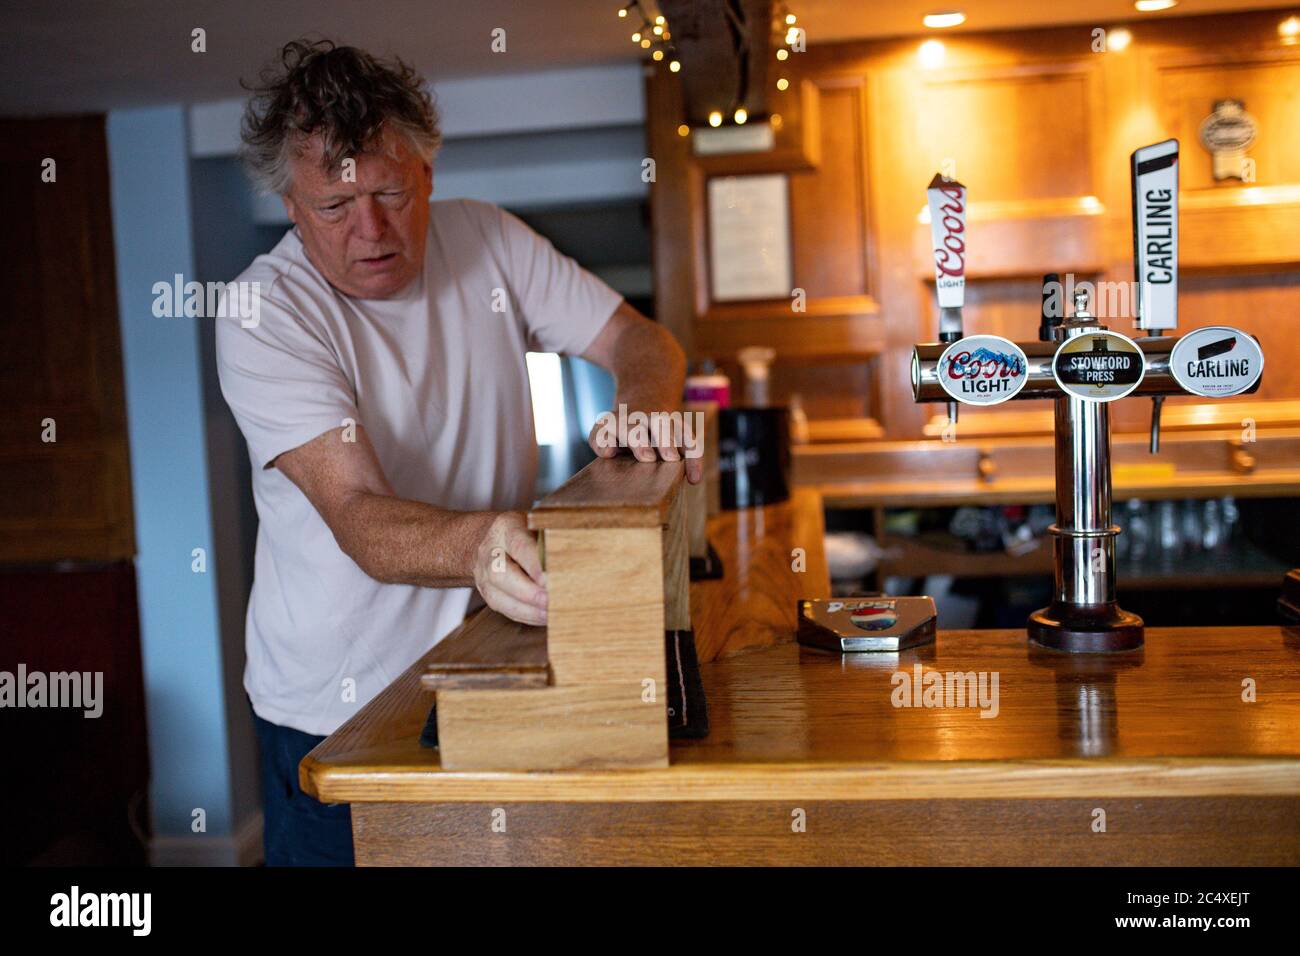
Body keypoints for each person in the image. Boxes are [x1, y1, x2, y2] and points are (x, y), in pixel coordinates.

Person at [217, 39, 697, 866]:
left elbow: (639, 340)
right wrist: (483, 542)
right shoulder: (263, 311)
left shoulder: (488, 240)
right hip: (332, 700)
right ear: (292, 210)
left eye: (391, 192)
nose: (371, 228)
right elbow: (359, 518)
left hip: (482, 658)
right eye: (333, 207)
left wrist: (642, 412)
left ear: (428, 175)